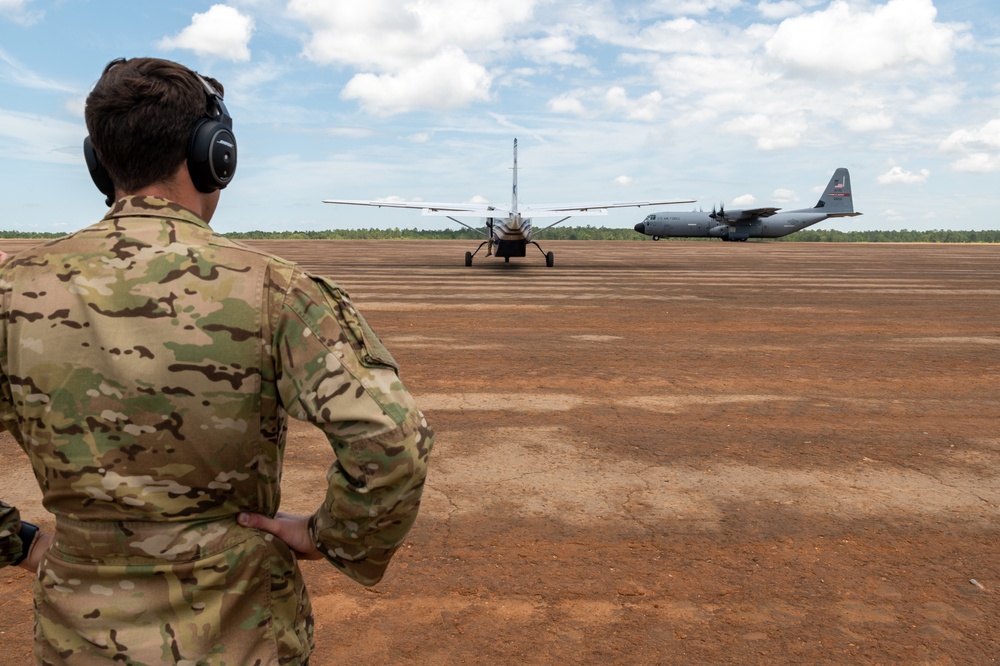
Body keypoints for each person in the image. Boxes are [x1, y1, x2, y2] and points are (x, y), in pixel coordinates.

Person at [0, 57, 433, 665]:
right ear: (216, 155)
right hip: (242, 631)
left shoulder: (11, 290)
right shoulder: (275, 289)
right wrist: (329, 537)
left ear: (100, 163)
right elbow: (394, 440)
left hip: (80, 636)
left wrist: (19, 543)